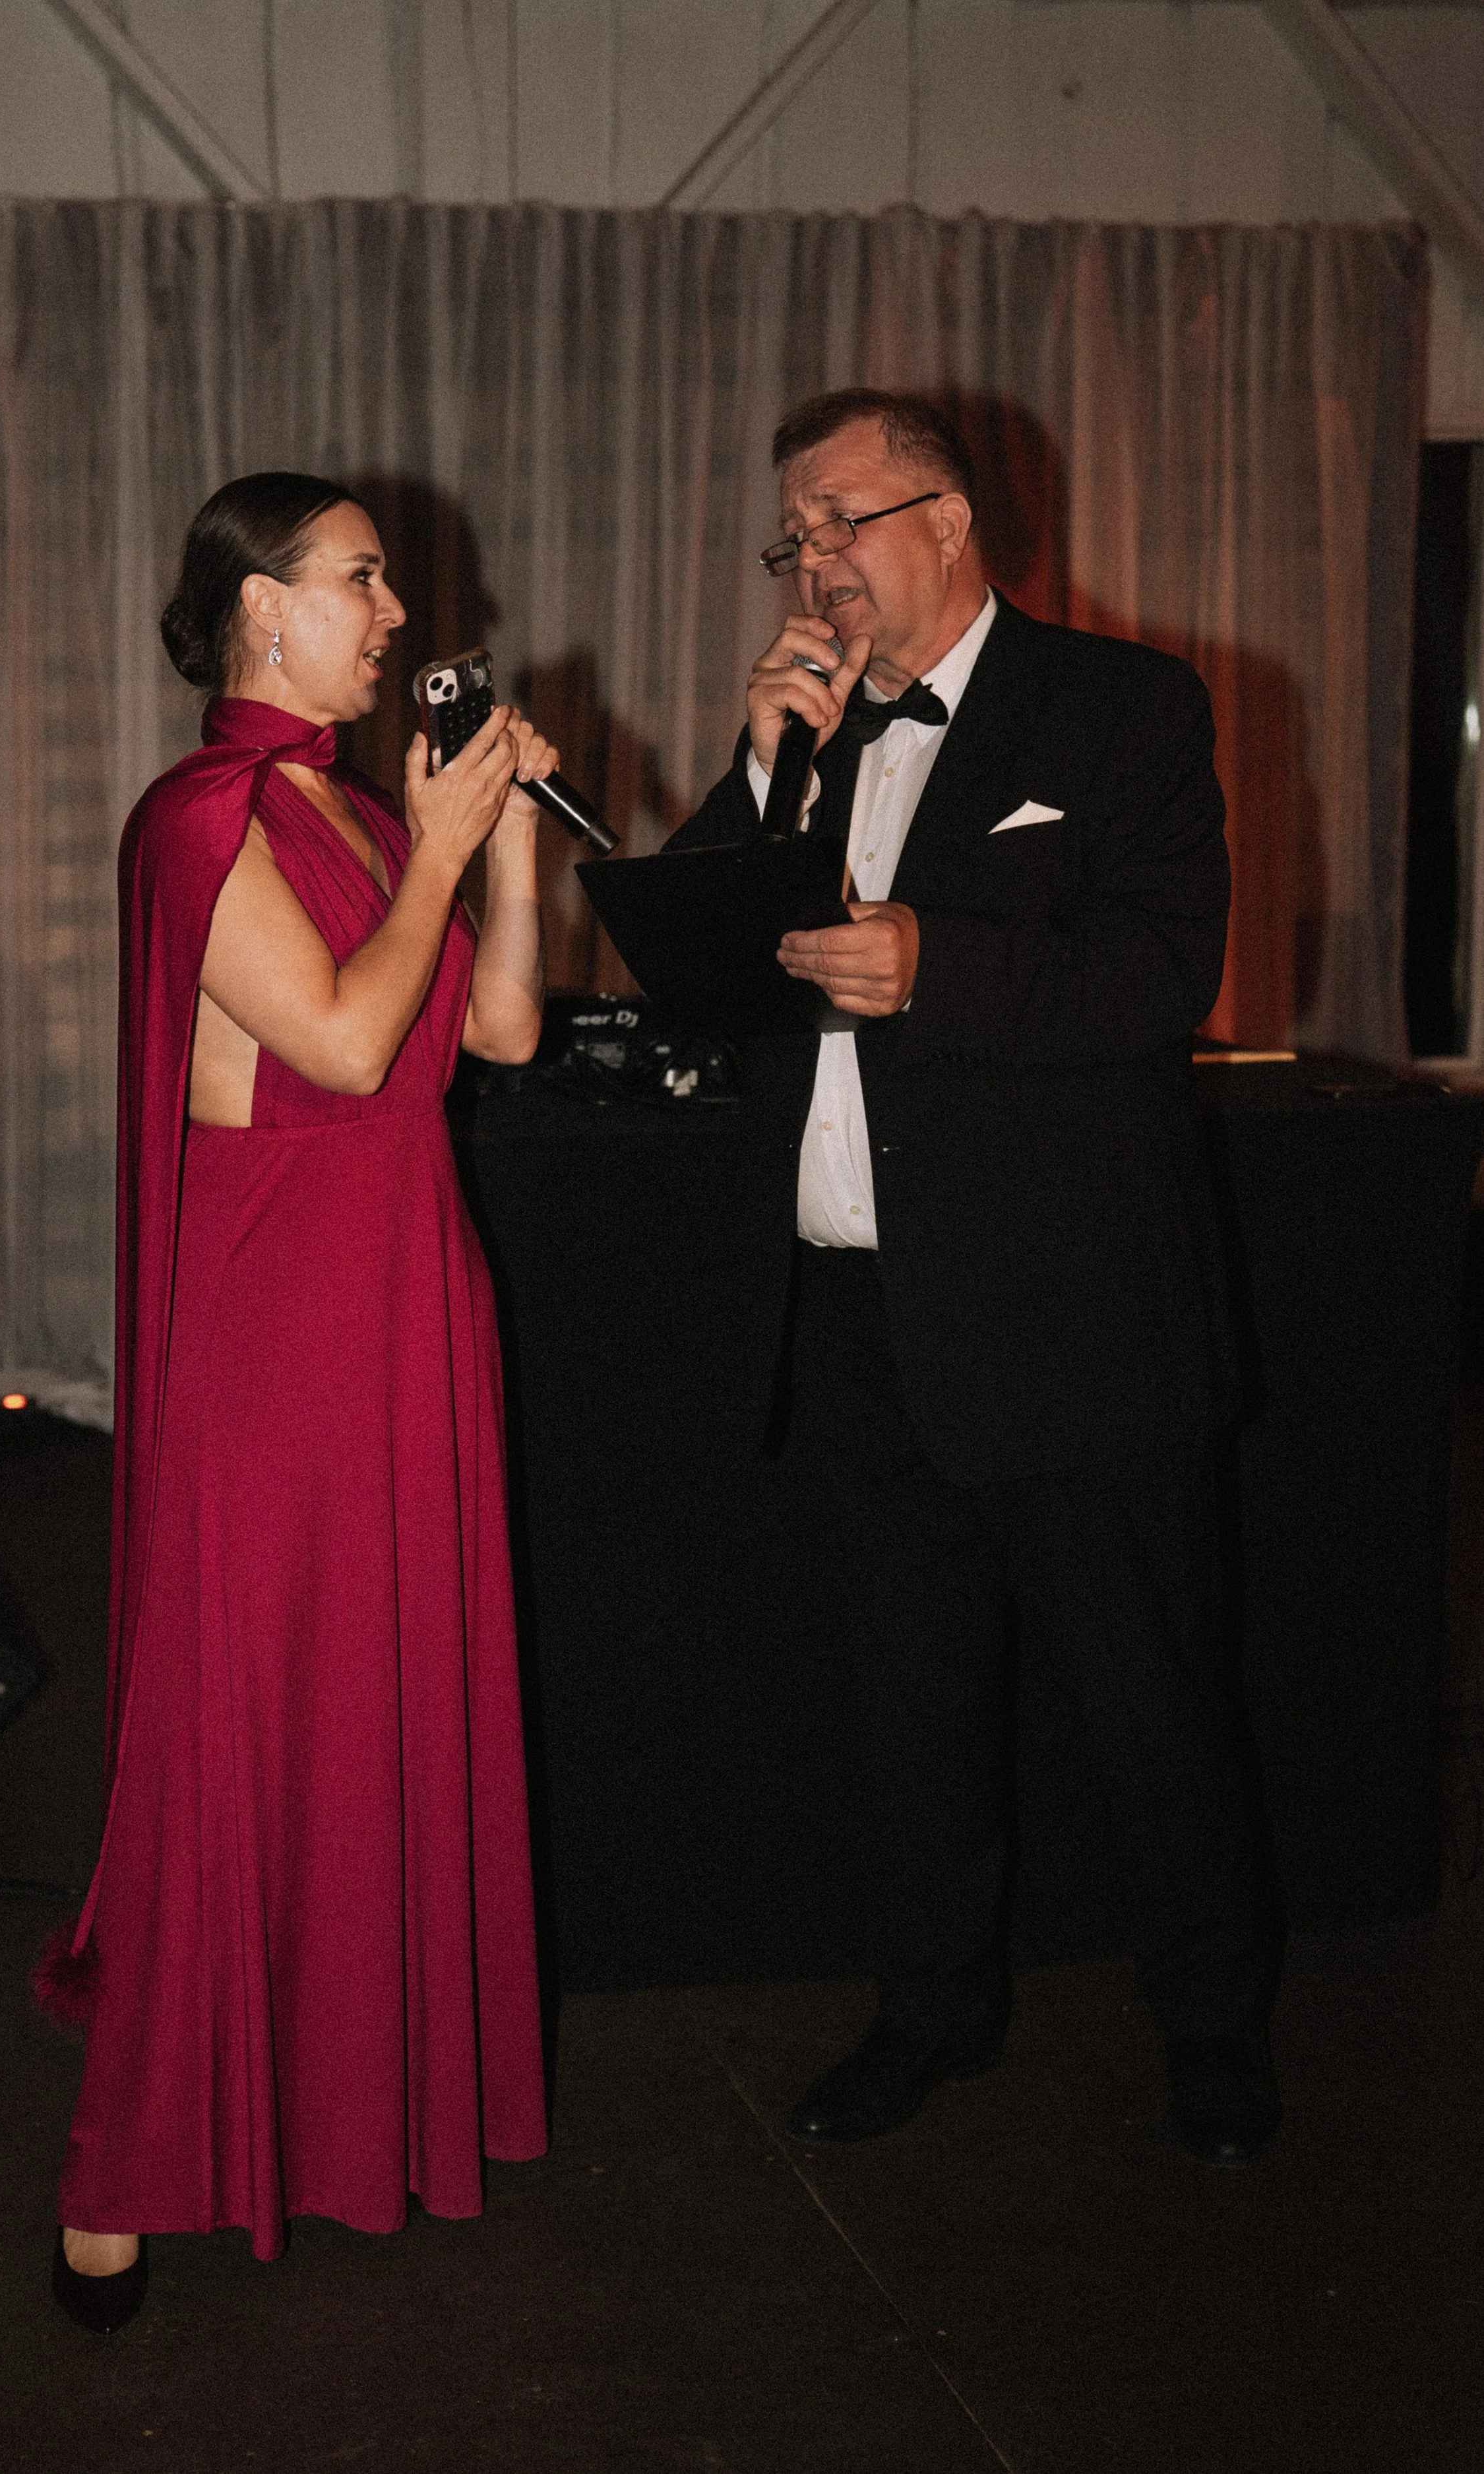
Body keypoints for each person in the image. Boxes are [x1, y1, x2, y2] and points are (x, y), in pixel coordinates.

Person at [668, 390, 1280, 2162]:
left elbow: (1160, 975)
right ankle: (931, 2011)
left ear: (948, 517)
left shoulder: (1120, 705)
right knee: (912, 1710)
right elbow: (699, 977)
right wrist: (760, 760)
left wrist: (939, 962)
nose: (813, 564)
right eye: (792, 536)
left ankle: (1218, 2039)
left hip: (1075, 1319)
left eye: (840, 522)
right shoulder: (796, 737)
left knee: (1152, 1708)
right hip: (859, 1318)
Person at [38, 472, 550, 2331]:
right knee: (234, 1726)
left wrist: (498, 839)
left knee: (370, 1707)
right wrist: (431, 847)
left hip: (407, 1300)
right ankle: (122, 2169)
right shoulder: (203, 814)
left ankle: (335, 2116)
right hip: (283, 1334)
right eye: (358, 580)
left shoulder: (339, 800)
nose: (393, 613)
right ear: (257, 607)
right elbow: (337, 1041)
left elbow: (491, 1031)